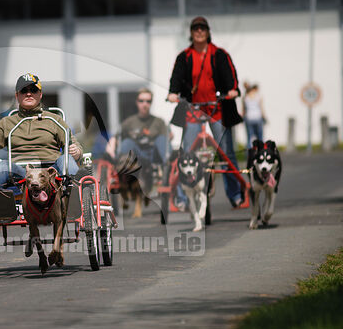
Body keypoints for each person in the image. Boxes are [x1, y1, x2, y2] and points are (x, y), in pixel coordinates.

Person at [167, 16, 244, 208]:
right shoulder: (184, 56)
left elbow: (231, 77)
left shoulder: (219, 54)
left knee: (226, 152)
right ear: (191, 33)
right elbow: (176, 78)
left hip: (217, 108)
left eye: (202, 28)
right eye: (195, 29)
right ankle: (183, 197)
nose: (199, 31)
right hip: (193, 109)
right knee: (186, 152)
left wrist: (232, 90)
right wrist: (172, 93)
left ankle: (235, 193)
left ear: (208, 32)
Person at [0, 73, 82, 185]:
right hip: (19, 172)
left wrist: (76, 152)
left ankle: (76, 201)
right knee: (2, 166)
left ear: (40, 94)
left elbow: (75, 147)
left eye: (33, 90)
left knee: (66, 160)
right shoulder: (7, 122)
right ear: (17, 95)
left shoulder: (55, 120)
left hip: (50, 170)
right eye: (24, 90)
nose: (29, 94)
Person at [105, 88, 169, 164]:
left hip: (154, 156)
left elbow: (166, 140)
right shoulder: (129, 122)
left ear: (151, 102)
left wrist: (170, 136)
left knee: (162, 139)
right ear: (137, 102)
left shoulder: (159, 121)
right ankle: (124, 171)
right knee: (127, 142)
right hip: (138, 155)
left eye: (148, 101)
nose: (145, 104)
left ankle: (166, 168)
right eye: (141, 101)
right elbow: (117, 136)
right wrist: (111, 145)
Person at [242, 81, 267, 149]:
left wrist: (242, 119)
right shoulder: (258, 97)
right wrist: (264, 118)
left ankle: (249, 153)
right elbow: (261, 109)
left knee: (249, 137)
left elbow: (244, 110)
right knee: (260, 136)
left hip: (249, 118)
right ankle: (261, 151)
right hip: (258, 117)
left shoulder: (246, 97)